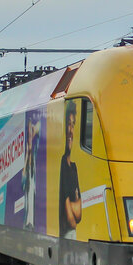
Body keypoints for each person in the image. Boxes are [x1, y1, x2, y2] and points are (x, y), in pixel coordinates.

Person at [59, 101, 81, 235]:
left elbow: (78, 214)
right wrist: (75, 202)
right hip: (67, 235)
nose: (70, 130)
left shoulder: (74, 167)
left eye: (73, 125)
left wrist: (73, 204)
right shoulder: (63, 165)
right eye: (68, 124)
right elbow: (72, 220)